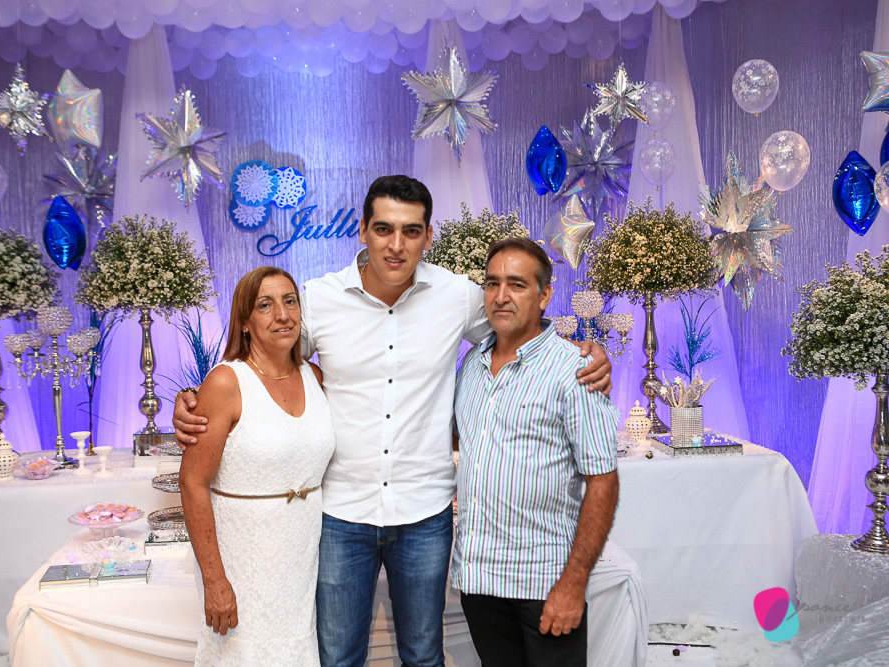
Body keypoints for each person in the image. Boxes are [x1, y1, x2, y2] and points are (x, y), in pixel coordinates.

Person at [174, 175, 612, 667]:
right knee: (339, 658)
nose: (396, 244)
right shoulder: (318, 299)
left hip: (425, 512)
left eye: (411, 231)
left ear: (428, 236)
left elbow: (519, 327)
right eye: (383, 229)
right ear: (363, 230)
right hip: (341, 513)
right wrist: (194, 398)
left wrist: (583, 353)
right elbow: (262, 363)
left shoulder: (458, 295)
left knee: (423, 657)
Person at [451, 238, 620, 667]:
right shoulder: (471, 365)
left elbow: (603, 482)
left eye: (517, 284)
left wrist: (574, 584)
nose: (501, 296)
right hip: (479, 580)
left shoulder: (575, 370)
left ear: (544, 296)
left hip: (544, 584)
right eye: (492, 283)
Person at [179, 267, 336, 666]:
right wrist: (214, 579)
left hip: (301, 559)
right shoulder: (225, 383)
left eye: (290, 301)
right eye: (265, 305)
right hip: (242, 563)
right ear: (245, 322)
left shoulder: (315, 377)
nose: (282, 315)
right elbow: (192, 482)